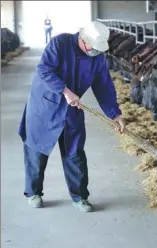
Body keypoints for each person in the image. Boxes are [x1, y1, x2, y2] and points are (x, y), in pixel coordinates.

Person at [18, 21, 125, 213]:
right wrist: (65, 91)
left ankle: (80, 197)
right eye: (92, 48)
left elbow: (104, 86)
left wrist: (115, 114)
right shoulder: (60, 43)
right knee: (37, 150)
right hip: (45, 106)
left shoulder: (97, 57)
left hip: (72, 108)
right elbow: (44, 69)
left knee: (74, 152)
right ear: (83, 40)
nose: (94, 53)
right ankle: (33, 192)